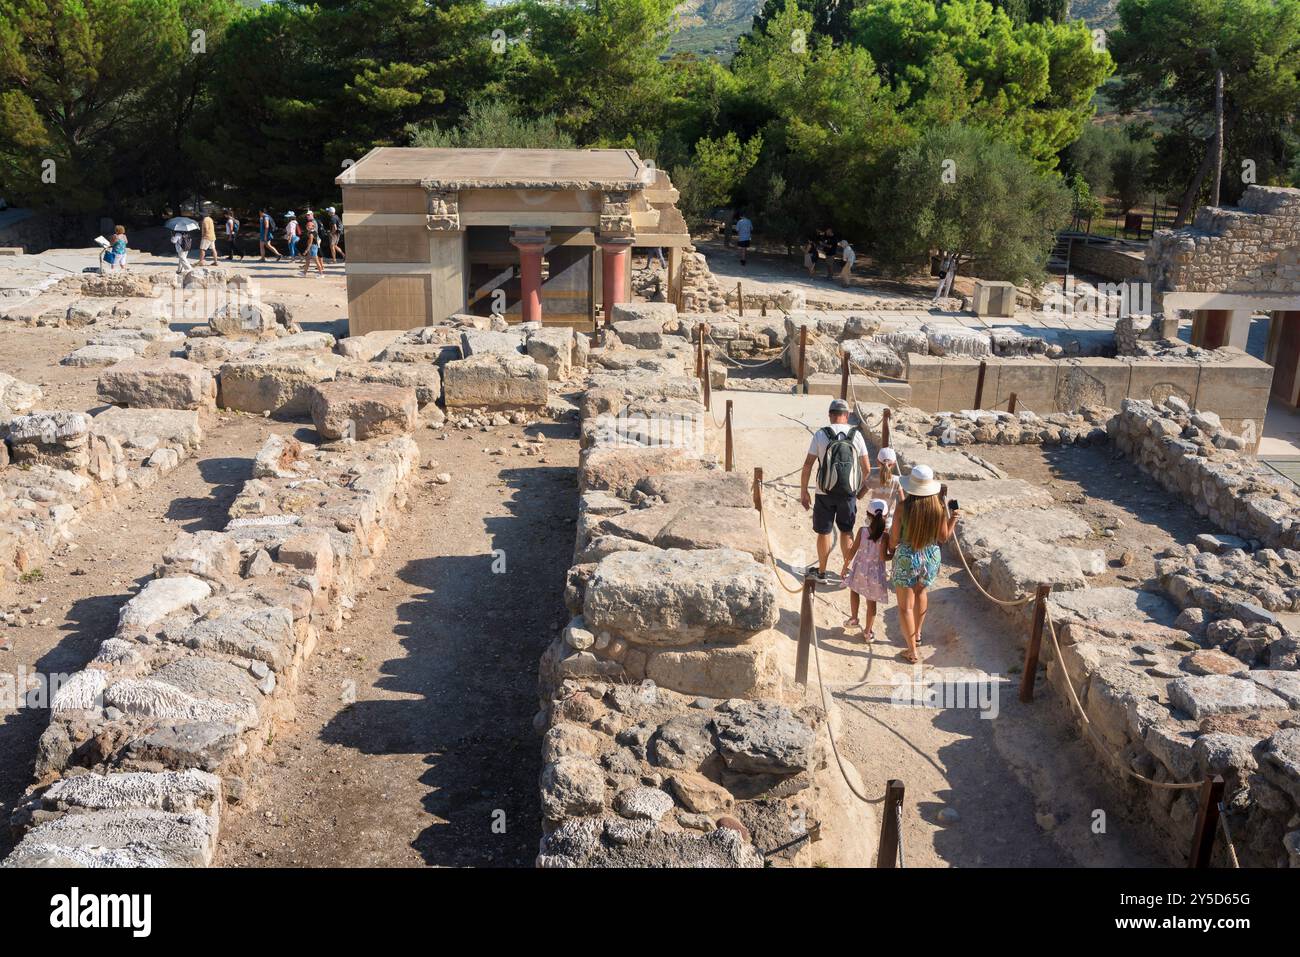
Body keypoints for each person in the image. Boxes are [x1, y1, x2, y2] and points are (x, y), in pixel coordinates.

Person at [888, 465, 959, 663]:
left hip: (907, 556)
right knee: (921, 593)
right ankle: (917, 634)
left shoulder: (903, 507)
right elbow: (943, 537)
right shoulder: (937, 507)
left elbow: (894, 540)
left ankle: (911, 650)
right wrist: (953, 519)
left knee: (905, 607)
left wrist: (890, 546)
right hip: (930, 555)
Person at [800, 398, 872, 582]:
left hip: (824, 491)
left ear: (830, 415)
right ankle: (846, 572)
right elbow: (867, 470)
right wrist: (861, 492)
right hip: (848, 493)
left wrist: (804, 491)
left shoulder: (821, 434)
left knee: (824, 532)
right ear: (847, 415)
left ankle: (822, 572)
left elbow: (808, 464)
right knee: (846, 531)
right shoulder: (856, 435)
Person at [842, 498, 891, 639]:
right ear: (886, 516)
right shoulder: (885, 536)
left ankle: (853, 618)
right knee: (871, 603)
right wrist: (893, 555)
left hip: (859, 570)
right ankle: (868, 632)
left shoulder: (862, 531)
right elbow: (883, 557)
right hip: (875, 573)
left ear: (868, 515)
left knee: (854, 590)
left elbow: (852, 551)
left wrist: (845, 567)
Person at [867, 446, 903, 516]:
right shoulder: (897, 480)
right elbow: (902, 501)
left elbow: (859, 496)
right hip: (888, 519)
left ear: (877, 462)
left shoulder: (873, 479)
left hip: (872, 517)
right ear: (894, 463)